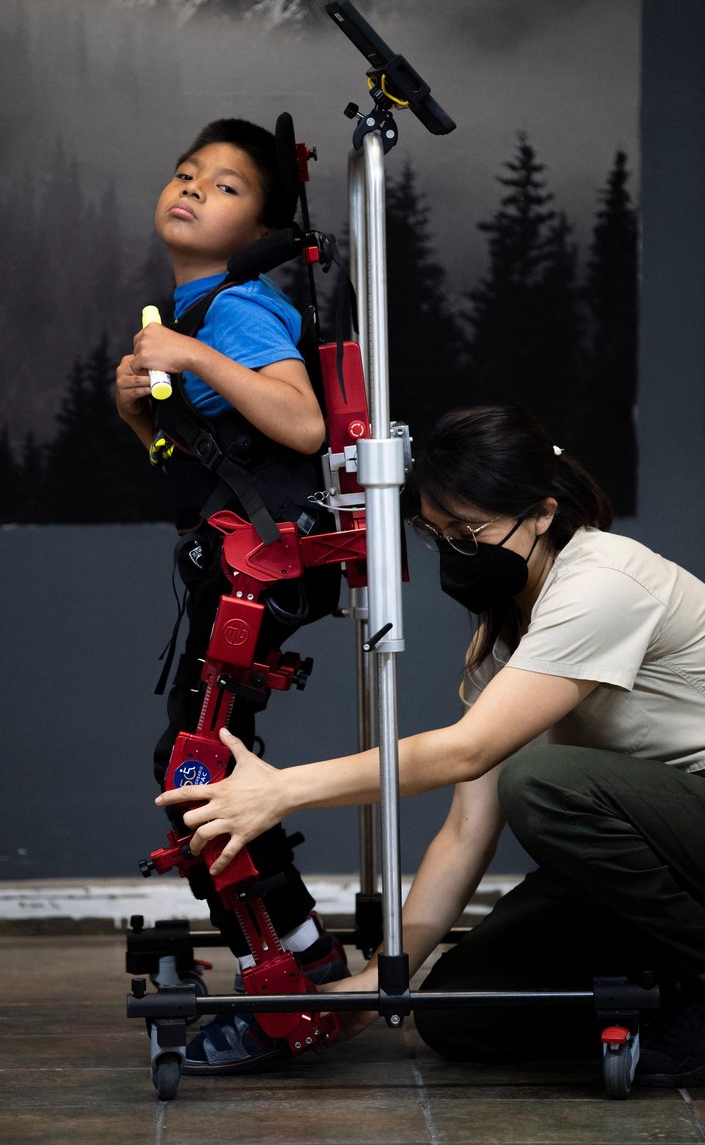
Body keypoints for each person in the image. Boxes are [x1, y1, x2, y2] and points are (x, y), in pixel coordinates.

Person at [157, 404, 705, 1087]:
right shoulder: (509, 625)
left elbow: (466, 752)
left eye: (469, 532)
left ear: (542, 512)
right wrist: (374, 986)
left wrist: (283, 789)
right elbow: (468, 827)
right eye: (436, 532)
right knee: (458, 1016)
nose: (453, 552)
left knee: (541, 782)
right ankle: (661, 984)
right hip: (654, 852)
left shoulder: (603, 585)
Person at [115, 118, 348, 1075]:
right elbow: (195, 471)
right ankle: (298, 956)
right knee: (197, 763)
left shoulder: (239, 308)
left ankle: (296, 982)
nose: (194, 190)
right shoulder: (194, 307)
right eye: (185, 175)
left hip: (265, 570)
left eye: (225, 186)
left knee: (201, 766)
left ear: (261, 225)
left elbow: (299, 425)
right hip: (239, 563)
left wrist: (198, 358)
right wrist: (142, 412)